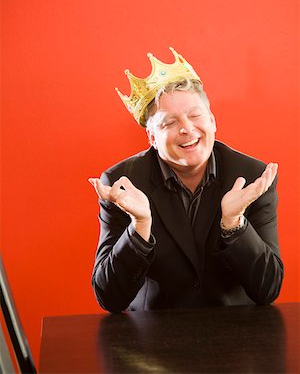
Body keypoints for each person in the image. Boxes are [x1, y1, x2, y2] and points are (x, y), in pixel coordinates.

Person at [89, 47, 283, 313]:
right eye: (169, 123)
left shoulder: (251, 177)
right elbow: (109, 298)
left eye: (195, 116)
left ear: (212, 121)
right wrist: (139, 227)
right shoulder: (123, 183)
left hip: (237, 338)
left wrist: (235, 225)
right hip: (152, 338)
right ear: (152, 138)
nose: (187, 129)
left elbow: (268, 289)